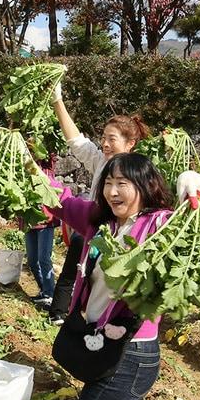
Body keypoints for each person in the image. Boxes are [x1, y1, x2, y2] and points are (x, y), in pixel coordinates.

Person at [43, 153, 200, 400]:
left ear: (144, 187)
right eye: (108, 183)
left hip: (131, 355)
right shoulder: (100, 224)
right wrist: (29, 165)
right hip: (108, 349)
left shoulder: (159, 226)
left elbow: (195, 220)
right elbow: (61, 201)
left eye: (123, 184)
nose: (113, 191)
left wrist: (196, 190)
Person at [48, 81, 150, 323]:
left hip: (115, 238)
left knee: (107, 285)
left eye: (111, 139)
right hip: (90, 226)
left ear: (130, 144)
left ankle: (105, 324)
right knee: (73, 273)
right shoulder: (101, 162)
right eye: (103, 137)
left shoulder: (138, 174)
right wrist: (57, 101)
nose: (104, 143)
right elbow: (76, 141)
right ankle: (63, 315)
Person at [23, 156, 63, 310]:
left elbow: (51, 155)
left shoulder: (46, 169)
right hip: (29, 220)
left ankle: (50, 294)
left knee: (43, 258)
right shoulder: (23, 170)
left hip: (46, 220)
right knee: (33, 261)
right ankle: (43, 290)